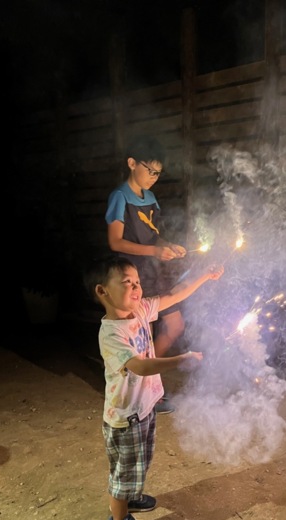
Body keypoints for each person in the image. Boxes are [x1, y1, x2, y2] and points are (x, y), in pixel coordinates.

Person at [84, 256, 224, 520]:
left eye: (137, 281)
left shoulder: (140, 310)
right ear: (102, 292)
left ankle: (131, 496)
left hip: (144, 409)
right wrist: (180, 361)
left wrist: (204, 275)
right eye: (127, 283)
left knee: (140, 461)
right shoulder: (111, 333)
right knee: (124, 472)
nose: (136, 287)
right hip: (125, 417)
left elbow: (174, 295)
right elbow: (140, 366)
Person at [105, 135, 187, 415]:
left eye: (158, 173)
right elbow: (115, 242)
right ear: (131, 164)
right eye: (149, 170)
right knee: (143, 334)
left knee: (175, 325)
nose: (154, 177)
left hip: (155, 270)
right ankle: (145, 386)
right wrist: (153, 251)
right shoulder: (119, 197)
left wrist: (167, 247)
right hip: (133, 276)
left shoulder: (150, 198)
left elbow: (154, 235)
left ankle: (143, 375)